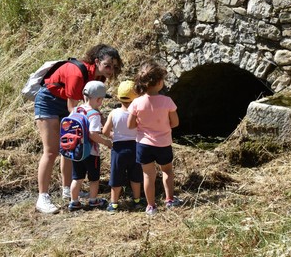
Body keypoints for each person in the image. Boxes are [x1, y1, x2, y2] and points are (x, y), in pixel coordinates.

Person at [34, 44, 122, 214]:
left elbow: (91, 109)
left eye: (115, 67)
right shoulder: (77, 74)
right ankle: (42, 197)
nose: (111, 70)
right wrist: (95, 129)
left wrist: (102, 124)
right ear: (97, 62)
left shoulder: (99, 77)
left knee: (71, 146)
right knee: (51, 151)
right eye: (108, 66)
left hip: (68, 104)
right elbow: (73, 110)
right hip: (49, 102)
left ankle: (68, 190)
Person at [127, 60, 181, 216]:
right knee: (167, 171)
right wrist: (162, 126)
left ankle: (151, 206)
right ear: (159, 82)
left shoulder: (137, 102)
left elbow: (131, 125)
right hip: (163, 143)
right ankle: (169, 200)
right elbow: (175, 123)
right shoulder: (167, 101)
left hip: (143, 144)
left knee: (147, 175)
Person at [68, 81, 112, 211]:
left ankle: (74, 202)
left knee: (77, 178)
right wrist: (106, 142)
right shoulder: (94, 114)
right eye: (102, 100)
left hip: (76, 150)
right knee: (94, 178)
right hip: (91, 153)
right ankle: (93, 201)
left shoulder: (76, 109)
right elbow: (92, 133)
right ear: (98, 99)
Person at [102, 80, 144, 213]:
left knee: (116, 176)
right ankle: (137, 201)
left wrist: (113, 135)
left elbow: (105, 131)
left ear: (119, 97)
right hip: (135, 147)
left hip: (119, 149)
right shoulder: (137, 114)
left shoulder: (114, 113)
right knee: (136, 176)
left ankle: (114, 204)